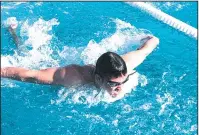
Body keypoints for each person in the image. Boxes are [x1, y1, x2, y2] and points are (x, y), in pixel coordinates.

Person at [1, 25, 159, 98]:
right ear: (98, 78)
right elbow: (30, 74)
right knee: (25, 53)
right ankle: (13, 31)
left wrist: (149, 38)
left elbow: (150, 45)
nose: (120, 87)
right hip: (51, 67)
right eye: (113, 84)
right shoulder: (72, 76)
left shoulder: (126, 65)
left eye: (123, 81)